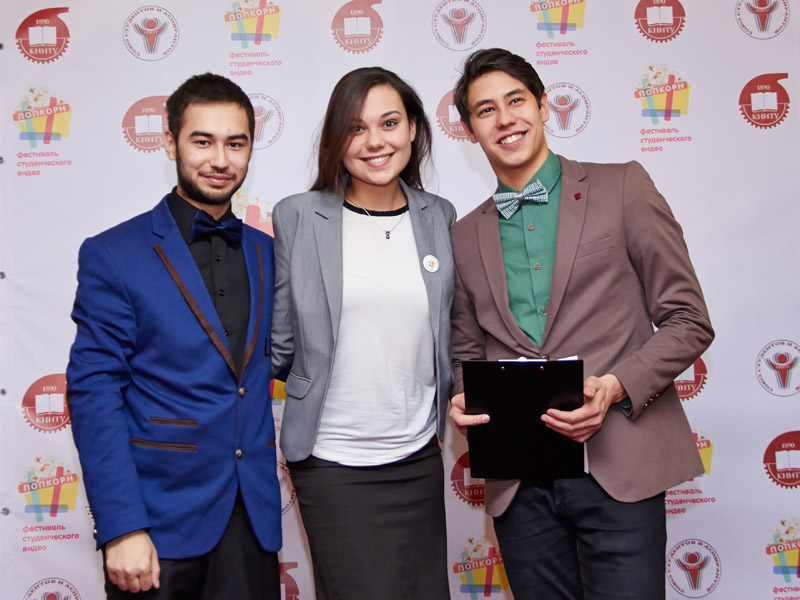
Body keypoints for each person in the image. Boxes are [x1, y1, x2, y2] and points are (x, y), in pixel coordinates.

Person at [448, 48, 714, 599]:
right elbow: (465, 355)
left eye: (516, 100)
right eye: (486, 110)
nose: (505, 119)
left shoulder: (623, 188)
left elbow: (688, 319)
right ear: (470, 130)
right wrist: (460, 396)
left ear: (544, 106)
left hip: (621, 466)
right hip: (519, 485)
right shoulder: (462, 235)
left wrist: (615, 386)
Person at [67, 73, 281, 599]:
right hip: (155, 525)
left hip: (251, 523)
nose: (220, 160)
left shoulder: (270, 252)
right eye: (202, 141)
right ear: (170, 142)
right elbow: (95, 393)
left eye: (235, 143)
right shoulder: (114, 253)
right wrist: (122, 527)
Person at [270, 67, 455, 599]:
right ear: (337, 139)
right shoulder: (299, 216)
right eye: (356, 128)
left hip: (418, 454)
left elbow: (452, 332)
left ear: (413, 128)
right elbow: (281, 343)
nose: (375, 141)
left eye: (389, 123)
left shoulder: (439, 217)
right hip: (332, 460)